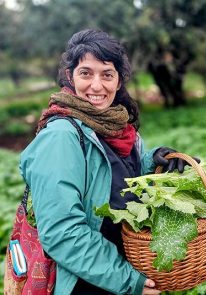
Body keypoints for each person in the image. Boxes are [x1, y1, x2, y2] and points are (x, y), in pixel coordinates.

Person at [19, 29, 192, 295]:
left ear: (119, 81)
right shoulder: (61, 136)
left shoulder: (118, 128)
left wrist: (151, 162)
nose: (97, 86)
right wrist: (127, 280)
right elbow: (62, 232)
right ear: (70, 76)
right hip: (86, 283)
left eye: (107, 74)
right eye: (86, 73)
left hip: (116, 274)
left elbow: (110, 179)